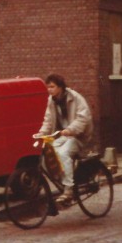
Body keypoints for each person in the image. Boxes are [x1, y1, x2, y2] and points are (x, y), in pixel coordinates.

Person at [38, 74, 93, 205]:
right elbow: (48, 120)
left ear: (60, 87)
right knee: (49, 152)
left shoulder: (75, 98)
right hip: (63, 135)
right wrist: (41, 133)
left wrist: (71, 129)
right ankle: (63, 179)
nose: (49, 90)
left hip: (78, 135)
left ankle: (69, 190)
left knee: (63, 153)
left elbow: (83, 118)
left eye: (52, 87)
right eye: (48, 87)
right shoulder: (51, 100)